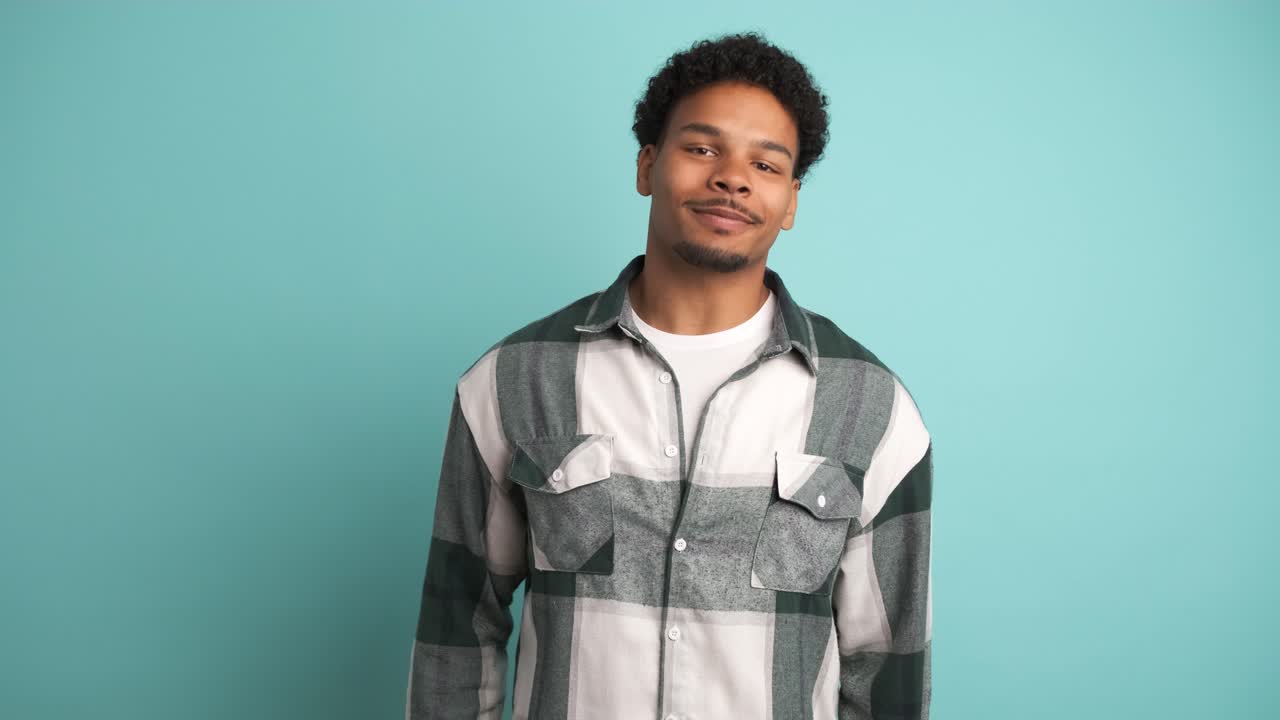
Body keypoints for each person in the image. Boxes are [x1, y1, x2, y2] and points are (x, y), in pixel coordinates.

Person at [407, 31, 933, 720]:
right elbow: (457, 632)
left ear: (792, 201)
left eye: (766, 165)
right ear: (647, 165)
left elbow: (886, 669)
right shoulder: (510, 382)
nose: (732, 178)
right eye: (703, 148)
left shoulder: (871, 407)